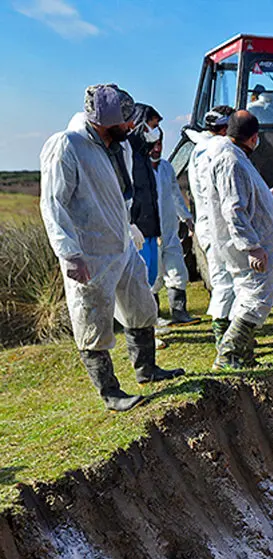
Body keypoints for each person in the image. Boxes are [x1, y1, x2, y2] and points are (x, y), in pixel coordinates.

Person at [39, 84, 184, 412]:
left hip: (121, 244)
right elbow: (53, 204)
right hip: (88, 251)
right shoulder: (68, 145)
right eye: (126, 120)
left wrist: (129, 227)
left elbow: (120, 193)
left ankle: (147, 369)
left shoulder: (117, 146)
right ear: (105, 120)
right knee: (92, 320)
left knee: (142, 305)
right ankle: (110, 392)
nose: (132, 125)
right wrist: (69, 252)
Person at [206, 110, 273, 369]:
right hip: (246, 245)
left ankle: (244, 357)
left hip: (250, 242)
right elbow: (234, 209)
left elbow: (244, 197)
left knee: (248, 295)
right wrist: (252, 247)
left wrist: (267, 198)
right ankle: (228, 355)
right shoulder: (231, 161)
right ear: (253, 138)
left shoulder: (237, 156)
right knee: (255, 297)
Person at [188, 105, 235, 344]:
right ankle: (224, 338)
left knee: (227, 281)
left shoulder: (199, 149)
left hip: (212, 224)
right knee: (224, 281)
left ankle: (231, 332)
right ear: (225, 127)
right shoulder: (213, 152)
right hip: (217, 226)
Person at [148, 135, 197, 324]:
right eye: (154, 144)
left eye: (160, 143)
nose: (157, 148)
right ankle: (154, 316)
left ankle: (179, 312)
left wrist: (186, 218)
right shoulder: (138, 169)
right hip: (149, 234)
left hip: (170, 230)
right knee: (153, 275)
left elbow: (176, 195)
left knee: (177, 270)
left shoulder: (166, 167)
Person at [128, 104, 161, 291]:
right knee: (140, 275)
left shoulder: (143, 155)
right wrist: (131, 223)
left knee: (151, 275)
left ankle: (148, 317)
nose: (155, 131)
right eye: (152, 125)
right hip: (137, 227)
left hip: (149, 227)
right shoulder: (127, 154)